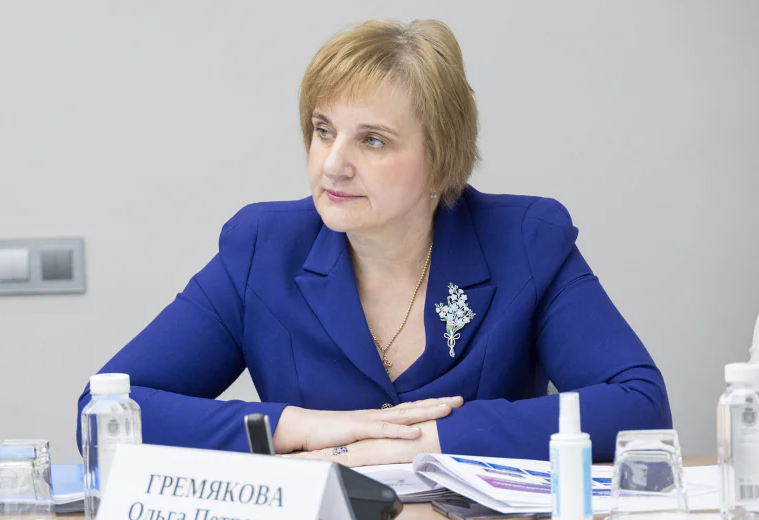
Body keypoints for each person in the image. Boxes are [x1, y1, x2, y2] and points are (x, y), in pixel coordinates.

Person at [76, 19, 671, 466]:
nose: (332, 164)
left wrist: (425, 440)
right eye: (323, 130)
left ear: (441, 160)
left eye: (373, 141)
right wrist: (302, 427)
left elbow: (641, 406)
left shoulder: (525, 241)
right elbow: (102, 414)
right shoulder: (262, 248)